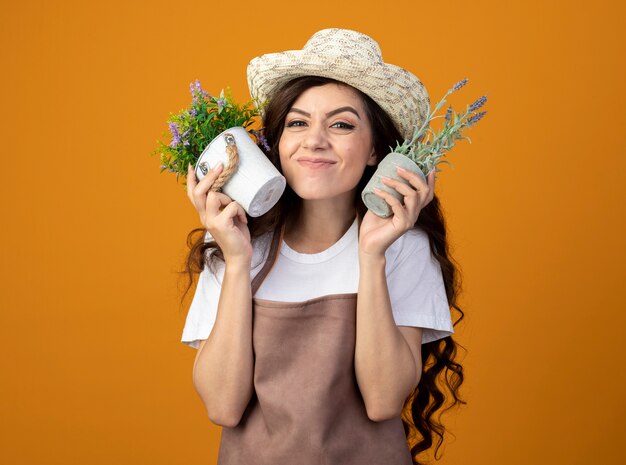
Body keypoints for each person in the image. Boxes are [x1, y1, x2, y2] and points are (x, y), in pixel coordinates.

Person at [180, 28, 465, 465]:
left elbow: (383, 401)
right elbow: (223, 406)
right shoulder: (234, 241)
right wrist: (237, 262)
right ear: (278, 143)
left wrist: (371, 257)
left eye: (342, 124)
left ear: (374, 151)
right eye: (298, 122)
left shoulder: (404, 248)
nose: (315, 140)